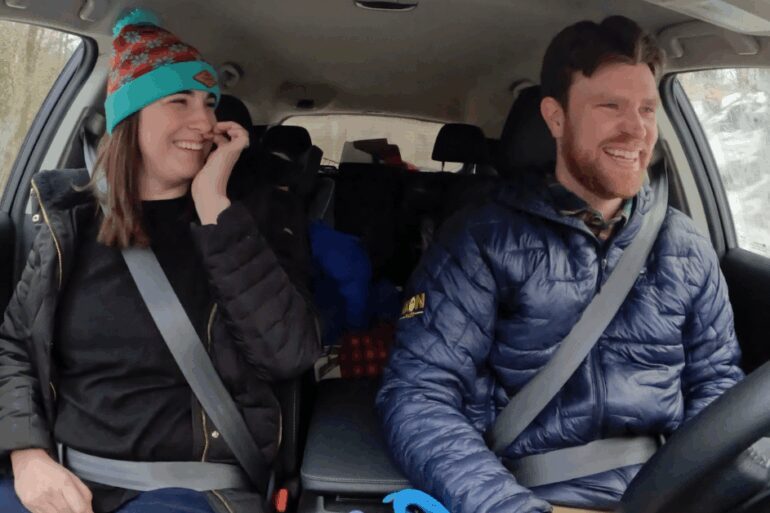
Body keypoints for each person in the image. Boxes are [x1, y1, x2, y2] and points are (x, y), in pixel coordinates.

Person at [376, 15, 743, 513]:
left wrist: (700, 494)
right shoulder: (479, 240)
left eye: (647, 109)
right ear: (555, 118)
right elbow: (419, 394)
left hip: (666, 493)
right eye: (610, 106)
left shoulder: (687, 246)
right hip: (529, 494)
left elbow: (718, 386)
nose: (636, 129)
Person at [0, 8, 321, 513]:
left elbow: (290, 353)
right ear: (129, 118)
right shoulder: (69, 222)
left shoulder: (248, 221)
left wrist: (214, 205)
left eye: (209, 104)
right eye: (179, 101)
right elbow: (16, 347)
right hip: (59, 474)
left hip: (192, 487)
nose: (205, 121)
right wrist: (26, 454)